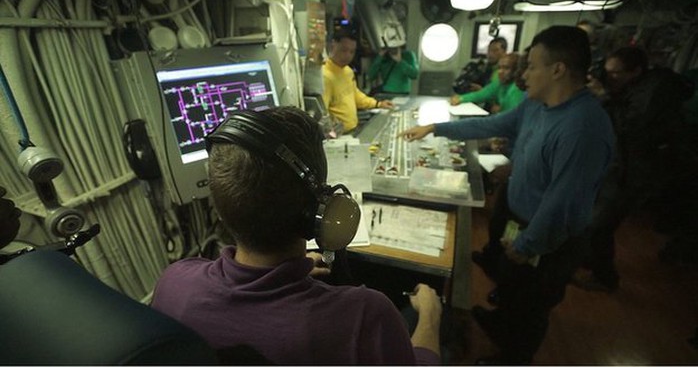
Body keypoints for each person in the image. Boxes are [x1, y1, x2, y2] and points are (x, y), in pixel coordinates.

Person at [151, 107, 442, 365]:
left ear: (222, 206)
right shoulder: (366, 316)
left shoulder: (173, 283)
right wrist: (430, 316)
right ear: (322, 209)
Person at [400, 26, 615, 364]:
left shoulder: (583, 127)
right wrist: (437, 128)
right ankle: (500, 323)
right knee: (512, 287)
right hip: (518, 215)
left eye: (531, 66)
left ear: (557, 70)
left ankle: (514, 356)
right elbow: (491, 125)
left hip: (548, 236)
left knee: (532, 303)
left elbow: (562, 201)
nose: (523, 74)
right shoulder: (537, 106)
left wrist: (529, 243)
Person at [575, 46, 698, 290]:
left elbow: (628, 128)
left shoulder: (654, 94)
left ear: (636, 71)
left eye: (616, 73)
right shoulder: (629, 87)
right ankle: (590, 259)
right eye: (607, 72)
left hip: (638, 173)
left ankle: (606, 279)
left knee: (600, 225)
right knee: (593, 219)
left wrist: (603, 96)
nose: (610, 77)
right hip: (620, 166)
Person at [322, 30, 394, 133]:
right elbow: (322, 113)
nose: (348, 56)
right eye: (344, 50)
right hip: (337, 135)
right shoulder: (325, 76)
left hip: (353, 130)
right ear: (333, 46)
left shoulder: (348, 71)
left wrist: (378, 104)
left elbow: (355, 95)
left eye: (352, 52)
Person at [449, 53, 525, 114]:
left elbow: (511, 116)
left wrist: (500, 110)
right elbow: (481, 94)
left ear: (516, 70)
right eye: (499, 68)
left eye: (506, 68)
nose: (500, 72)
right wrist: (460, 98)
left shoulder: (517, 88)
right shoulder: (500, 83)